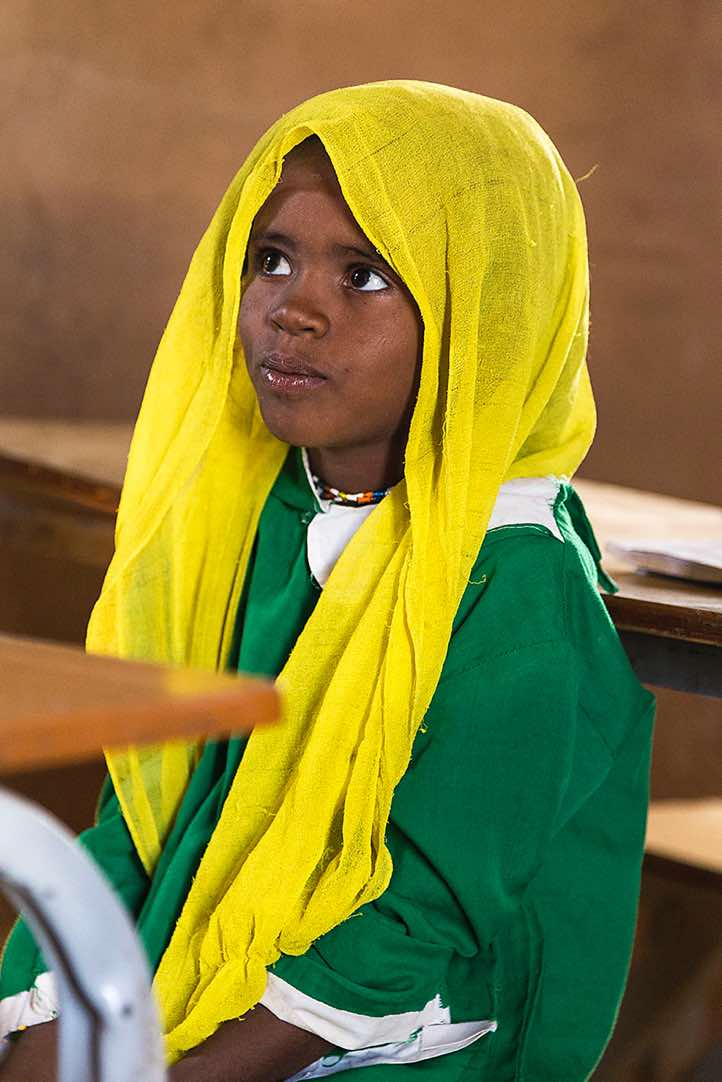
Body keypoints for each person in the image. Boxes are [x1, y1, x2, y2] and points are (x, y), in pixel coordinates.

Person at [0, 81, 655, 1081]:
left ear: (486, 312)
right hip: (203, 964)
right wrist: (54, 1027)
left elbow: (409, 924)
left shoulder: (518, 591)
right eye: (270, 258)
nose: (294, 309)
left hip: (393, 1033)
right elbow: (155, 816)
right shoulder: (258, 519)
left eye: (363, 275)